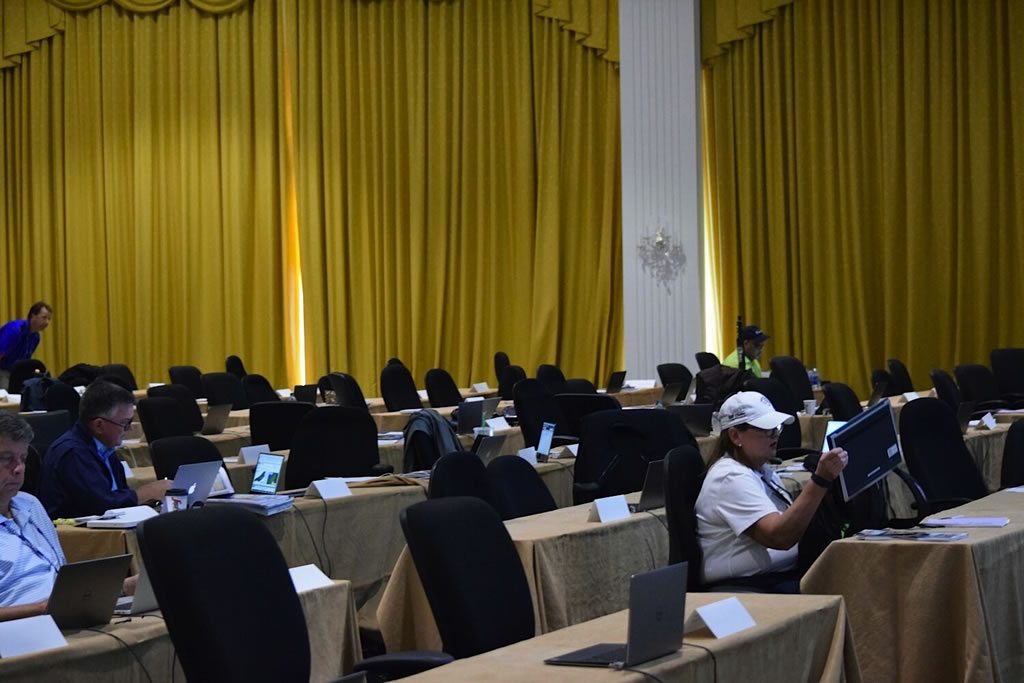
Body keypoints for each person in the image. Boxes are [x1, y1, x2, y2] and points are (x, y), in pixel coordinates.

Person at [695, 391, 847, 593]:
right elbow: (780, 537)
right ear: (735, 435)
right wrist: (820, 480)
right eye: (765, 429)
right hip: (750, 585)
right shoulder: (730, 477)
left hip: (776, 577)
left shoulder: (762, 470)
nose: (775, 434)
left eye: (776, 427)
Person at [0, 412, 137, 622]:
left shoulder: (30, 504)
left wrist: (119, 588)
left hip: (65, 615)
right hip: (21, 628)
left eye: (23, 458)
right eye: (6, 459)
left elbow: (57, 572)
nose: (19, 469)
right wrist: (42, 609)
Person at [38, 381, 171, 518]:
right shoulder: (73, 453)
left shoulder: (104, 446)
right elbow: (100, 505)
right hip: (72, 529)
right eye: (125, 423)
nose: (130, 429)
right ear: (99, 425)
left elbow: (116, 495)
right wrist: (143, 494)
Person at [0, 301, 53, 390]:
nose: (47, 322)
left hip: (16, 372)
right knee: (7, 394)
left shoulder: (36, 337)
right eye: (44, 318)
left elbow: (25, 361)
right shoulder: (15, 330)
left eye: (49, 319)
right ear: (33, 315)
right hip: (3, 369)